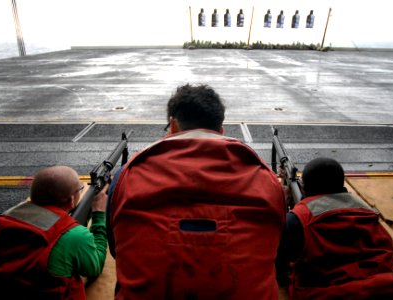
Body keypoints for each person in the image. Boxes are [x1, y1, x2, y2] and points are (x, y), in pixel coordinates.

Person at [108, 84, 286, 299]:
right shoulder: (265, 178)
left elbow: (117, 250)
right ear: (220, 131)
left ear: (173, 126)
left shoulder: (126, 176)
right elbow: (276, 249)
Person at [276, 157, 393, 300]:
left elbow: (280, 266)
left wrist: (283, 204)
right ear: (342, 185)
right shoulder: (368, 212)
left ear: (306, 189)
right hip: (387, 289)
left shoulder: (298, 220)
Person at [0, 166, 109, 300]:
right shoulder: (74, 235)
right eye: (80, 189)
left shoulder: (7, 217)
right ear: (72, 200)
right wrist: (98, 214)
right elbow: (94, 267)